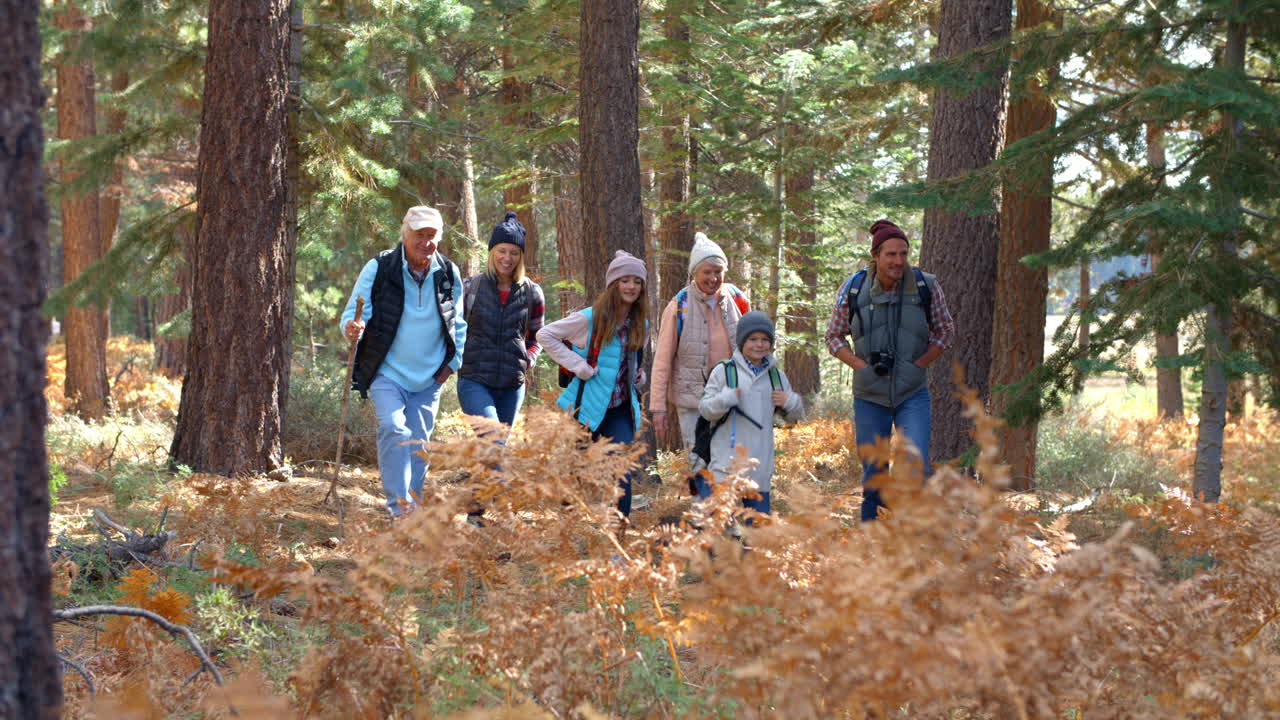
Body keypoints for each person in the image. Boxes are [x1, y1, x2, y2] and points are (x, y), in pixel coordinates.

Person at [824, 219, 954, 521]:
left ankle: (909, 535)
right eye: (891, 254)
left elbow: (946, 330)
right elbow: (832, 336)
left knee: (915, 463)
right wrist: (860, 367)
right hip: (870, 394)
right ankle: (873, 540)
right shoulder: (854, 287)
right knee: (874, 470)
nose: (898, 261)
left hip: (913, 394)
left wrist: (918, 364)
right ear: (876, 256)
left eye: (903, 254)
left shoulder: (926, 286)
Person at [341, 205, 467, 516]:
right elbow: (353, 314)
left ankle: (413, 508)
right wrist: (353, 327)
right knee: (395, 430)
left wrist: (453, 364)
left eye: (432, 236)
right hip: (388, 371)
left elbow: (459, 323)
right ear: (405, 235)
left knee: (419, 445)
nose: (426, 242)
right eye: (419, 235)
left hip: (430, 375)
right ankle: (399, 509)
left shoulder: (449, 273)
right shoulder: (380, 267)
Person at [537, 250, 649, 519]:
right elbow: (545, 335)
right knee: (577, 474)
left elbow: (633, 362)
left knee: (621, 472)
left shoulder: (641, 324)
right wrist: (579, 366)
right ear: (613, 284)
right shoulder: (590, 318)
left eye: (637, 281)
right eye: (625, 280)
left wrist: (639, 377)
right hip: (585, 408)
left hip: (620, 410)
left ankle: (617, 536)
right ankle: (567, 533)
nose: (631, 287)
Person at [650, 232, 750, 464]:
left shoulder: (737, 299)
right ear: (694, 273)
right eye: (707, 272)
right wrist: (658, 408)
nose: (713, 278)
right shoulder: (680, 306)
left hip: (733, 395)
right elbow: (662, 360)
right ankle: (704, 501)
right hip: (693, 399)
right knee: (700, 462)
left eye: (718, 272)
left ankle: (726, 501)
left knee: (733, 460)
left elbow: (755, 348)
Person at [697, 311, 804, 518]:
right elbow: (706, 410)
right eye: (753, 339)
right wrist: (725, 399)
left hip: (760, 469)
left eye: (765, 340)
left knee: (756, 531)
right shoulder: (725, 371)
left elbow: (792, 420)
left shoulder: (776, 376)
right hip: (725, 466)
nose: (760, 345)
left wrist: (792, 402)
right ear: (741, 341)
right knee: (719, 528)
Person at [458, 211, 545, 433]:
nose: (507, 258)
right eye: (502, 251)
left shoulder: (532, 293)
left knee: (495, 453)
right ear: (492, 252)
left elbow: (538, 337)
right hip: (474, 380)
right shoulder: (470, 287)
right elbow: (454, 331)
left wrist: (529, 359)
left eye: (514, 252)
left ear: (521, 256)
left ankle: (476, 469)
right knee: (493, 441)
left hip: (512, 386)